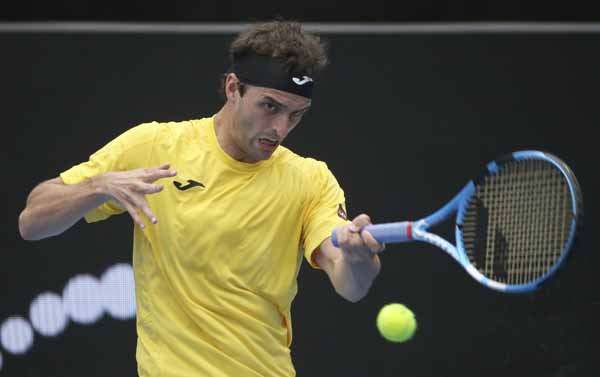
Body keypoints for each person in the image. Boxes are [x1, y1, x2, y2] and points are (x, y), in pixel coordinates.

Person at [18, 20, 383, 377]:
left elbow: (351, 284)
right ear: (232, 88)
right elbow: (32, 222)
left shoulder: (311, 179)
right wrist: (97, 186)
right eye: (270, 106)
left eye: (296, 115)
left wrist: (357, 258)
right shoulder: (155, 146)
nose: (281, 128)